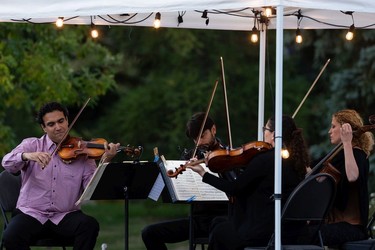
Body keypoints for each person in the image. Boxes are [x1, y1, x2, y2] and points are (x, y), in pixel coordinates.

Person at [1, 101, 120, 250]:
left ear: (67, 121)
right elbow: (6, 162)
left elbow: (92, 187)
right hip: (32, 213)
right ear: (43, 128)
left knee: (89, 226)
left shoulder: (82, 152)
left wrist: (106, 159)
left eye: (61, 121)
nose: (58, 127)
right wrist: (27, 156)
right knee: (11, 236)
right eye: (51, 124)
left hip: (65, 215)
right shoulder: (32, 145)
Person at [187, 115, 309, 250]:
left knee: (219, 231)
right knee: (219, 222)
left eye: (265, 129)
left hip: (264, 232)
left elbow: (235, 188)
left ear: (274, 135)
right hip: (290, 230)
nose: (263, 132)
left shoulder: (265, 160)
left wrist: (203, 173)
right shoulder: (296, 161)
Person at [141, 112, 237, 250]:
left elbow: (236, 187)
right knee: (149, 233)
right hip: (197, 220)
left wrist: (220, 168)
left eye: (202, 136)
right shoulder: (191, 156)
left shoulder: (228, 155)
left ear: (213, 130)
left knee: (219, 234)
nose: (199, 143)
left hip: (223, 219)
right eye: (195, 139)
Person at [314, 109, 374, 247]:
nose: (329, 131)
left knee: (309, 235)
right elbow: (310, 169)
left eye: (333, 126)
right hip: (335, 224)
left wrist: (347, 143)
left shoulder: (358, 154)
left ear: (346, 129)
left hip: (352, 227)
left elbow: (352, 176)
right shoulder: (336, 156)